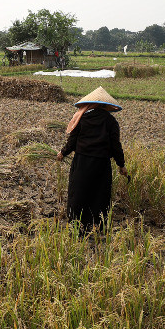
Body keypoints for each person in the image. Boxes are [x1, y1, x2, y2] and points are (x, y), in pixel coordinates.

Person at [56, 87, 129, 232]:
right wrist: (121, 165)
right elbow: (116, 146)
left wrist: (62, 153)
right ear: (105, 106)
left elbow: (73, 141)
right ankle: (97, 225)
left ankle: (76, 224)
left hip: (82, 162)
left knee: (79, 192)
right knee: (99, 194)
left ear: (90, 105)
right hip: (102, 164)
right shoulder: (111, 122)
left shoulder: (82, 118)